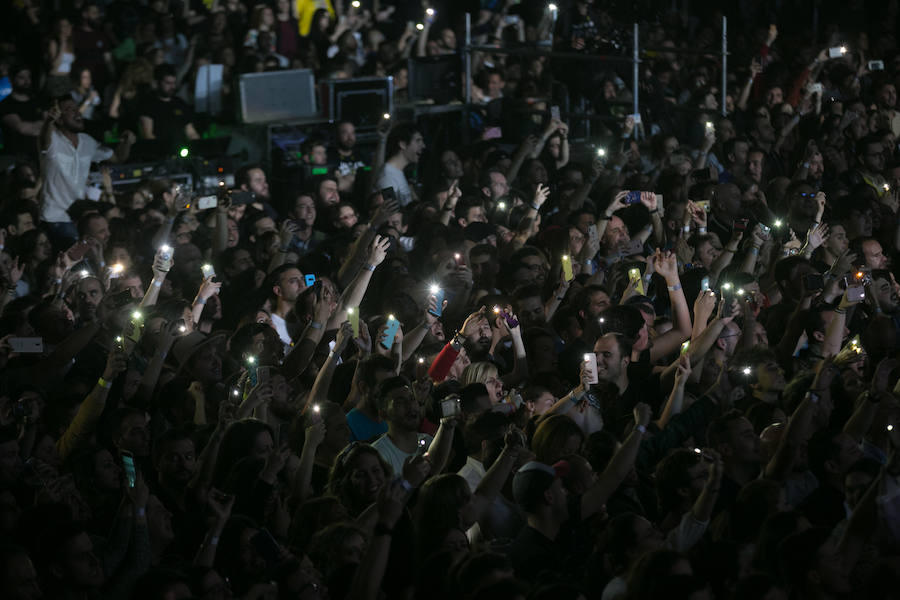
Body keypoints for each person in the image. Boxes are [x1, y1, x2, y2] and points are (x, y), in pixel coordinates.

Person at [39, 96, 134, 244]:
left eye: (77, 108)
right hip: (55, 217)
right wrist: (48, 121)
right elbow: (44, 141)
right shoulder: (52, 139)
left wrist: (127, 142)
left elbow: (117, 158)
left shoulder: (87, 141)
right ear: (59, 118)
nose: (77, 113)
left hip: (79, 217)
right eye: (70, 110)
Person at [137, 64, 199, 156]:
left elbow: (191, 132)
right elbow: (148, 135)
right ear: (157, 83)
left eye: (173, 83)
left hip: (183, 152)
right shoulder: (147, 104)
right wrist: (164, 151)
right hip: (160, 154)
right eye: (168, 83)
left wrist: (199, 147)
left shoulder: (180, 103)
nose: (172, 87)